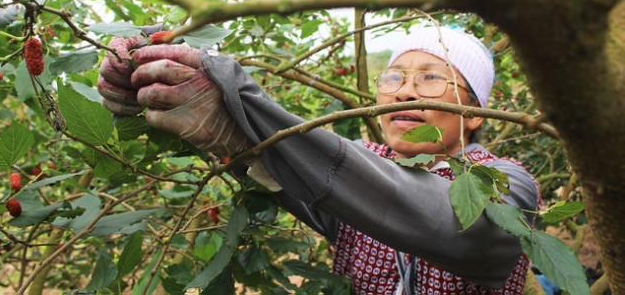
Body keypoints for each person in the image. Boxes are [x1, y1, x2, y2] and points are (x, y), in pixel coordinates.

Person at [98, 25, 539, 295]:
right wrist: (159, 67)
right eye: (395, 76)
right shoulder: (363, 163)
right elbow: (291, 166)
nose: (405, 91)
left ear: (478, 108)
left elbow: (454, 226)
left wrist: (244, 100)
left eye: (431, 78)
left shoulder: (507, 183)